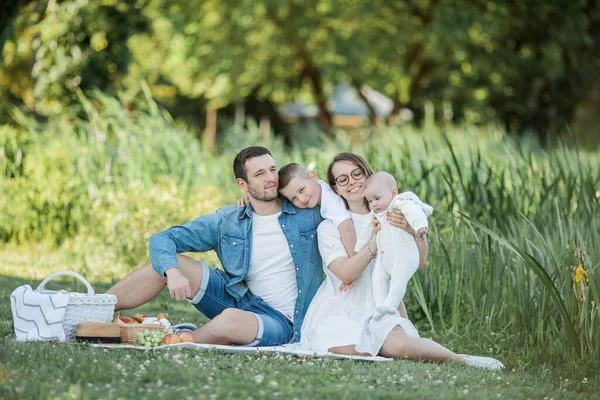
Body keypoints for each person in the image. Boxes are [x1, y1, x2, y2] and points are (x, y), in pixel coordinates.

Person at [300, 152, 504, 369]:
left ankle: (461, 359)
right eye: (342, 179)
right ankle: (382, 345)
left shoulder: (395, 212)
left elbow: (420, 262)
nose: (351, 182)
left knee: (398, 347)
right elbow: (347, 273)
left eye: (356, 174)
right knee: (333, 344)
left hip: (379, 305)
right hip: (341, 308)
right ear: (336, 188)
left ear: (367, 174)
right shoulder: (329, 228)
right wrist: (376, 242)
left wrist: (414, 232)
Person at [106, 146, 323, 346]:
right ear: (242, 184)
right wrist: (172, 272)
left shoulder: (306, 211)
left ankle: (175, 341)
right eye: (259, 174)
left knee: (228, 322)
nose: (271, 179)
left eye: (272, 170)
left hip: (281, 321)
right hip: (238, 298)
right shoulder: (229, 220)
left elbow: (342, 199)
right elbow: (162, 239)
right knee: (170, 263)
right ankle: (96, 307)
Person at [358, 171, 432, 320]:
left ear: (393, 192)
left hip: (404, 255)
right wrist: (359, 246)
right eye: (370, 201)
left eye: (377, 199)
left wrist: (420, 226)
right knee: (377, 278)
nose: (374, 204)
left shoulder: (399, 203)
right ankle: (380, 305)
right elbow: (367, 229)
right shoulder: (377, 213)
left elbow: (415, 212)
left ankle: (392, 303)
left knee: (398, 278)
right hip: (385, 258)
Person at [278, 163, 357, 257]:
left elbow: (347, 228)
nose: (302, 199)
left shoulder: (331, 202)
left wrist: (354, 258)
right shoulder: (321, 188)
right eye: (294, 198)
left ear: (312, 177)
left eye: (301, 190)